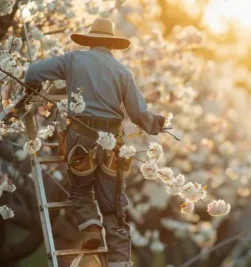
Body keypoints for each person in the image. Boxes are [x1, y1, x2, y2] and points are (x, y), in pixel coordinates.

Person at [24, 18, 165, 267]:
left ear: (89, 41)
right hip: (113, 140)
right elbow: (138, 114)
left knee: (80, 188)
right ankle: (120, 261)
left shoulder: (73, 60)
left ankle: (90, 229)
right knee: (114, 203)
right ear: (112, 44)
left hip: (81, 134)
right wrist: (157, 123)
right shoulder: (122, 71)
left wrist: (33, 91)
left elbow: (33, 72)